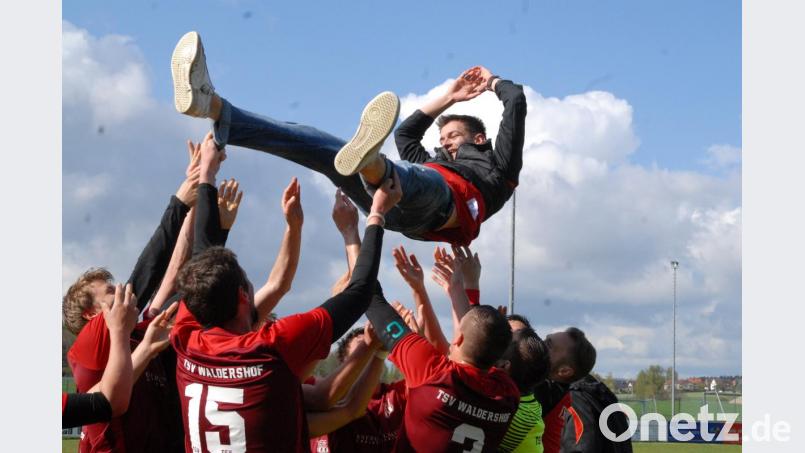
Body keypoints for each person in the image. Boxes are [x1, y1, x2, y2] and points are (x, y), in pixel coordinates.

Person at [171, 31, 526, 245]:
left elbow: (516, 101)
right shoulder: (436, 160)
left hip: (442, 206)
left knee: (419, 178)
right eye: (442, 137)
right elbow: (405, 133)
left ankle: (374, 166)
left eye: (453, 136)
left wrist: (492, 82)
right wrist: (450, 96)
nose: (444, 142)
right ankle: (212, 105)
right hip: (389, 209)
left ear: (480, 139)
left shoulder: (499, 169)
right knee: (317, 145)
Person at [170, 131, 402, 452]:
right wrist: (376, 214)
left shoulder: (186, 339)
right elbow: (361, 291)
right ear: (243, 296)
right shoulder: (272, 346)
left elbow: (202, 253)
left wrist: (207, 174)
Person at [64, 147, 202, 453]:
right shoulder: (89, 344)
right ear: (90, 315)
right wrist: (179, 203)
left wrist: (197, 198)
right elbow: (145, 274)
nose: (121, 291)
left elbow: (177, 277)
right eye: (110, 292)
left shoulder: (139, 334)